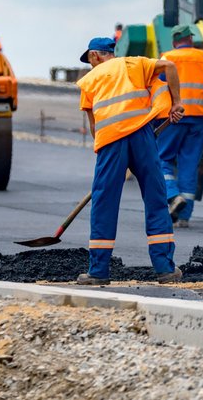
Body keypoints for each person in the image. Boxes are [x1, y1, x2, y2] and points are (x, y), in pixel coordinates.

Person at [75, 37, 185, 285]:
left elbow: (94, 127)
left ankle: (98, 271)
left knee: (104, 202)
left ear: (95, 56)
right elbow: (169, 67)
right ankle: (165, 269)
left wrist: (108, 160)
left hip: (111, 142)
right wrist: (176, 102)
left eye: (90, 60)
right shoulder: (133, 64)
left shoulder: (89, 81)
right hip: (142, 136)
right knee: (156, 199)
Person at [157, 25, 203, 228]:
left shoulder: (166, 57)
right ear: (190, 38)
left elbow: (158, 90)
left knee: (162, 159)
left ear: (174, 42)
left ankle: (172, 196)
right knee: (188, 166)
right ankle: (184, 217)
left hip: (171, 118)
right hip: (198, 120)